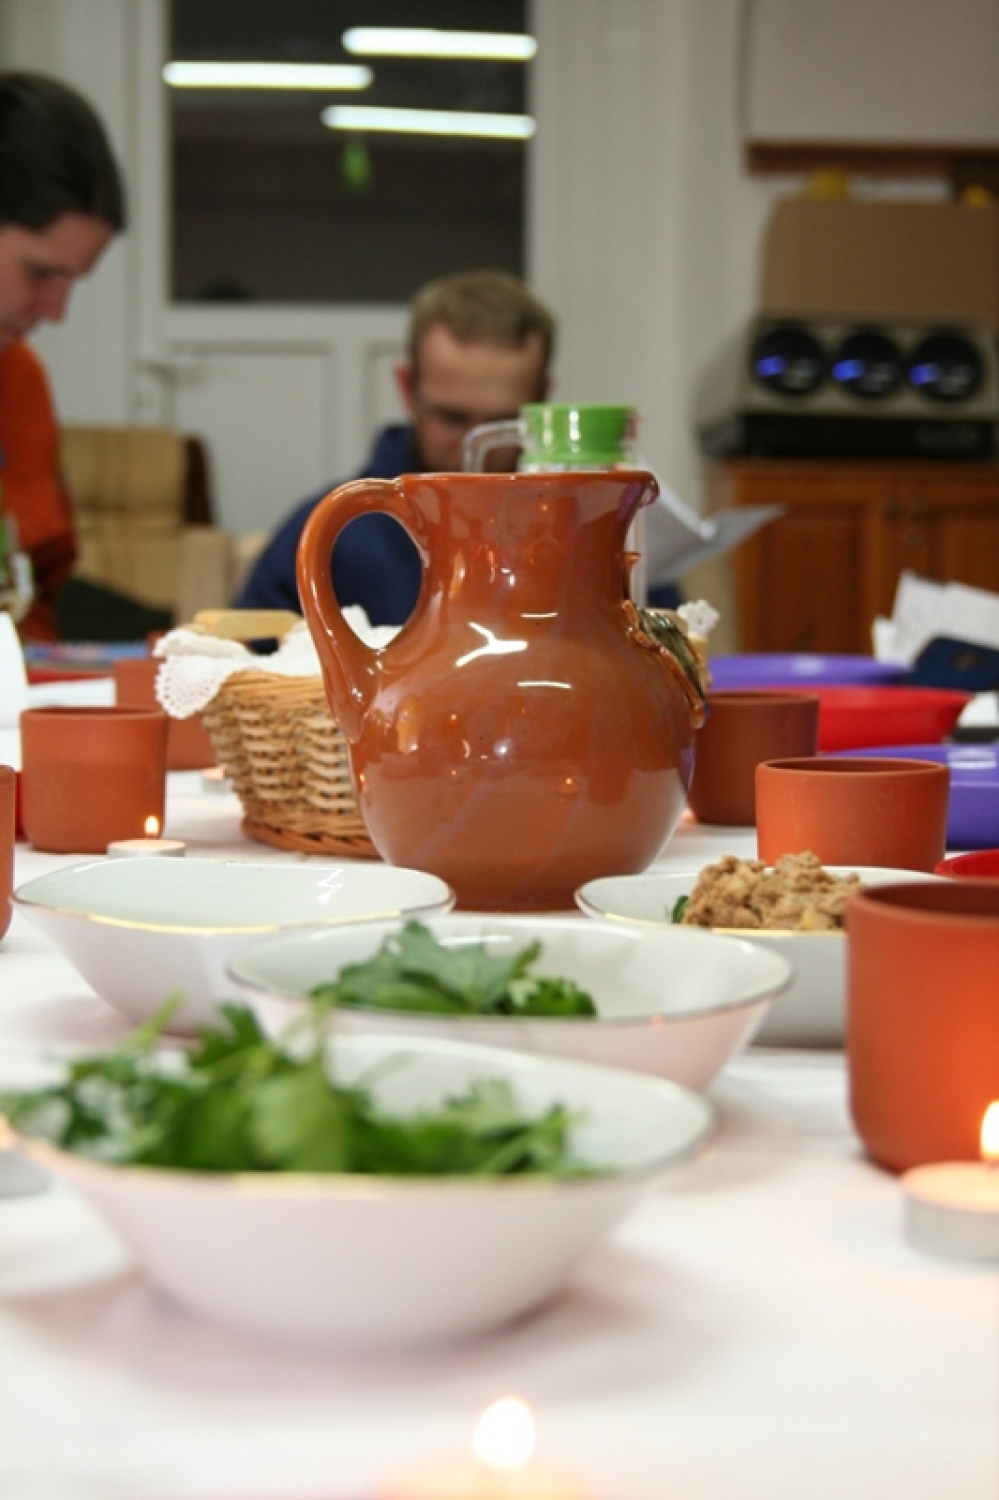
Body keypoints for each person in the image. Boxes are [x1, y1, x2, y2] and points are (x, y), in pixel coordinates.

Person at [237, 268, 555, 624]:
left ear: (542, 400)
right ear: (407, 388)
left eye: (499, 426)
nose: (473, 447)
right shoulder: (333, 530)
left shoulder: (569, 531)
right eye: (452, 418)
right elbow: (236, 663)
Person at [0, 71, 126, 639]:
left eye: (73, 281)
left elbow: (34, 606)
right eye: (41, 273)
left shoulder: (20, 379)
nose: (56, 311)